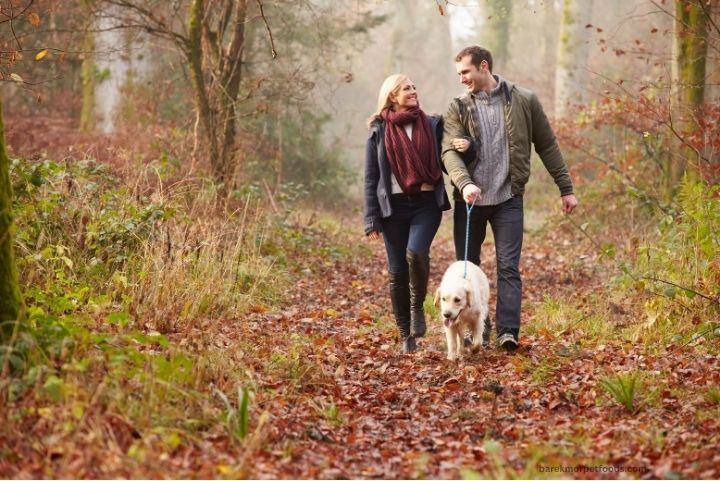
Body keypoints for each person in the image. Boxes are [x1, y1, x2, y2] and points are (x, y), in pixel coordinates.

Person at [442, 46, 579, 352]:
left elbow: (547, 144)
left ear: (484, 66)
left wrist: (565, 187)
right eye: (459, 74)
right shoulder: (458, 107)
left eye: (466, 72)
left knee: (508, 267)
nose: (462, 79)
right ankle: (473, 331)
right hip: (470, 201)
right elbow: (448, 152)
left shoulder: (524, 100)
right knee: (468, 269)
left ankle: (507, 332)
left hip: (508, 199)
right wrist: (464, 184)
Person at [363, 74, 451, 354]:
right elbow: (371, 177)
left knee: (416, 252)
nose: (414, 91)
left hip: (426, 204)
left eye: (414, 86)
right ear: (392, 96)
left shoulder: (433, 124)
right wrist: (371, 218)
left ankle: (417, 307)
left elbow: (451, 155)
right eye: (406, 88)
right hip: (393, 210)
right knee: (397, 271)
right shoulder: (378, 130)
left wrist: (466, 148)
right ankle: (405, 335)